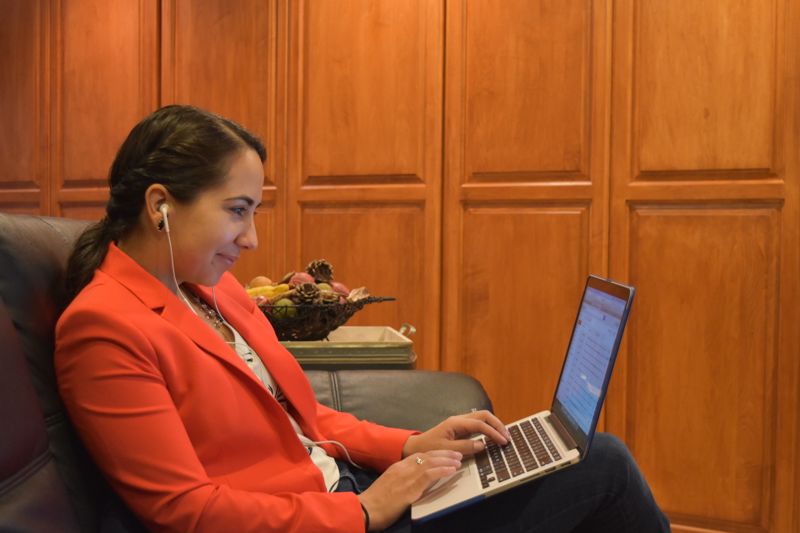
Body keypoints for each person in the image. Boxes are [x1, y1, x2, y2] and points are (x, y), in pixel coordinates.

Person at [55, 105, 670, 533]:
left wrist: (412, 444)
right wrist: (367, 511)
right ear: (160, 205)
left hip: (346, 491)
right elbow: (184, 511)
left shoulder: (212, 291)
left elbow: (310, 418)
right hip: (332, 519)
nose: (252, 240)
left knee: (563, 460)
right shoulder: (104, 327)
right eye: (238, 211)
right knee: (603, 467)